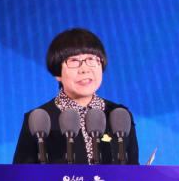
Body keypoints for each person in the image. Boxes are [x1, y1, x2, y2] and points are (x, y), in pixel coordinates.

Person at [12, 27, 140, 165]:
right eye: (73, 61)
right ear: (57, 73)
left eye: (91, 59)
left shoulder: (119, 116)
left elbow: (133, 171)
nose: (84, 69)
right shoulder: (38, 119)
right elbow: (20, 175)